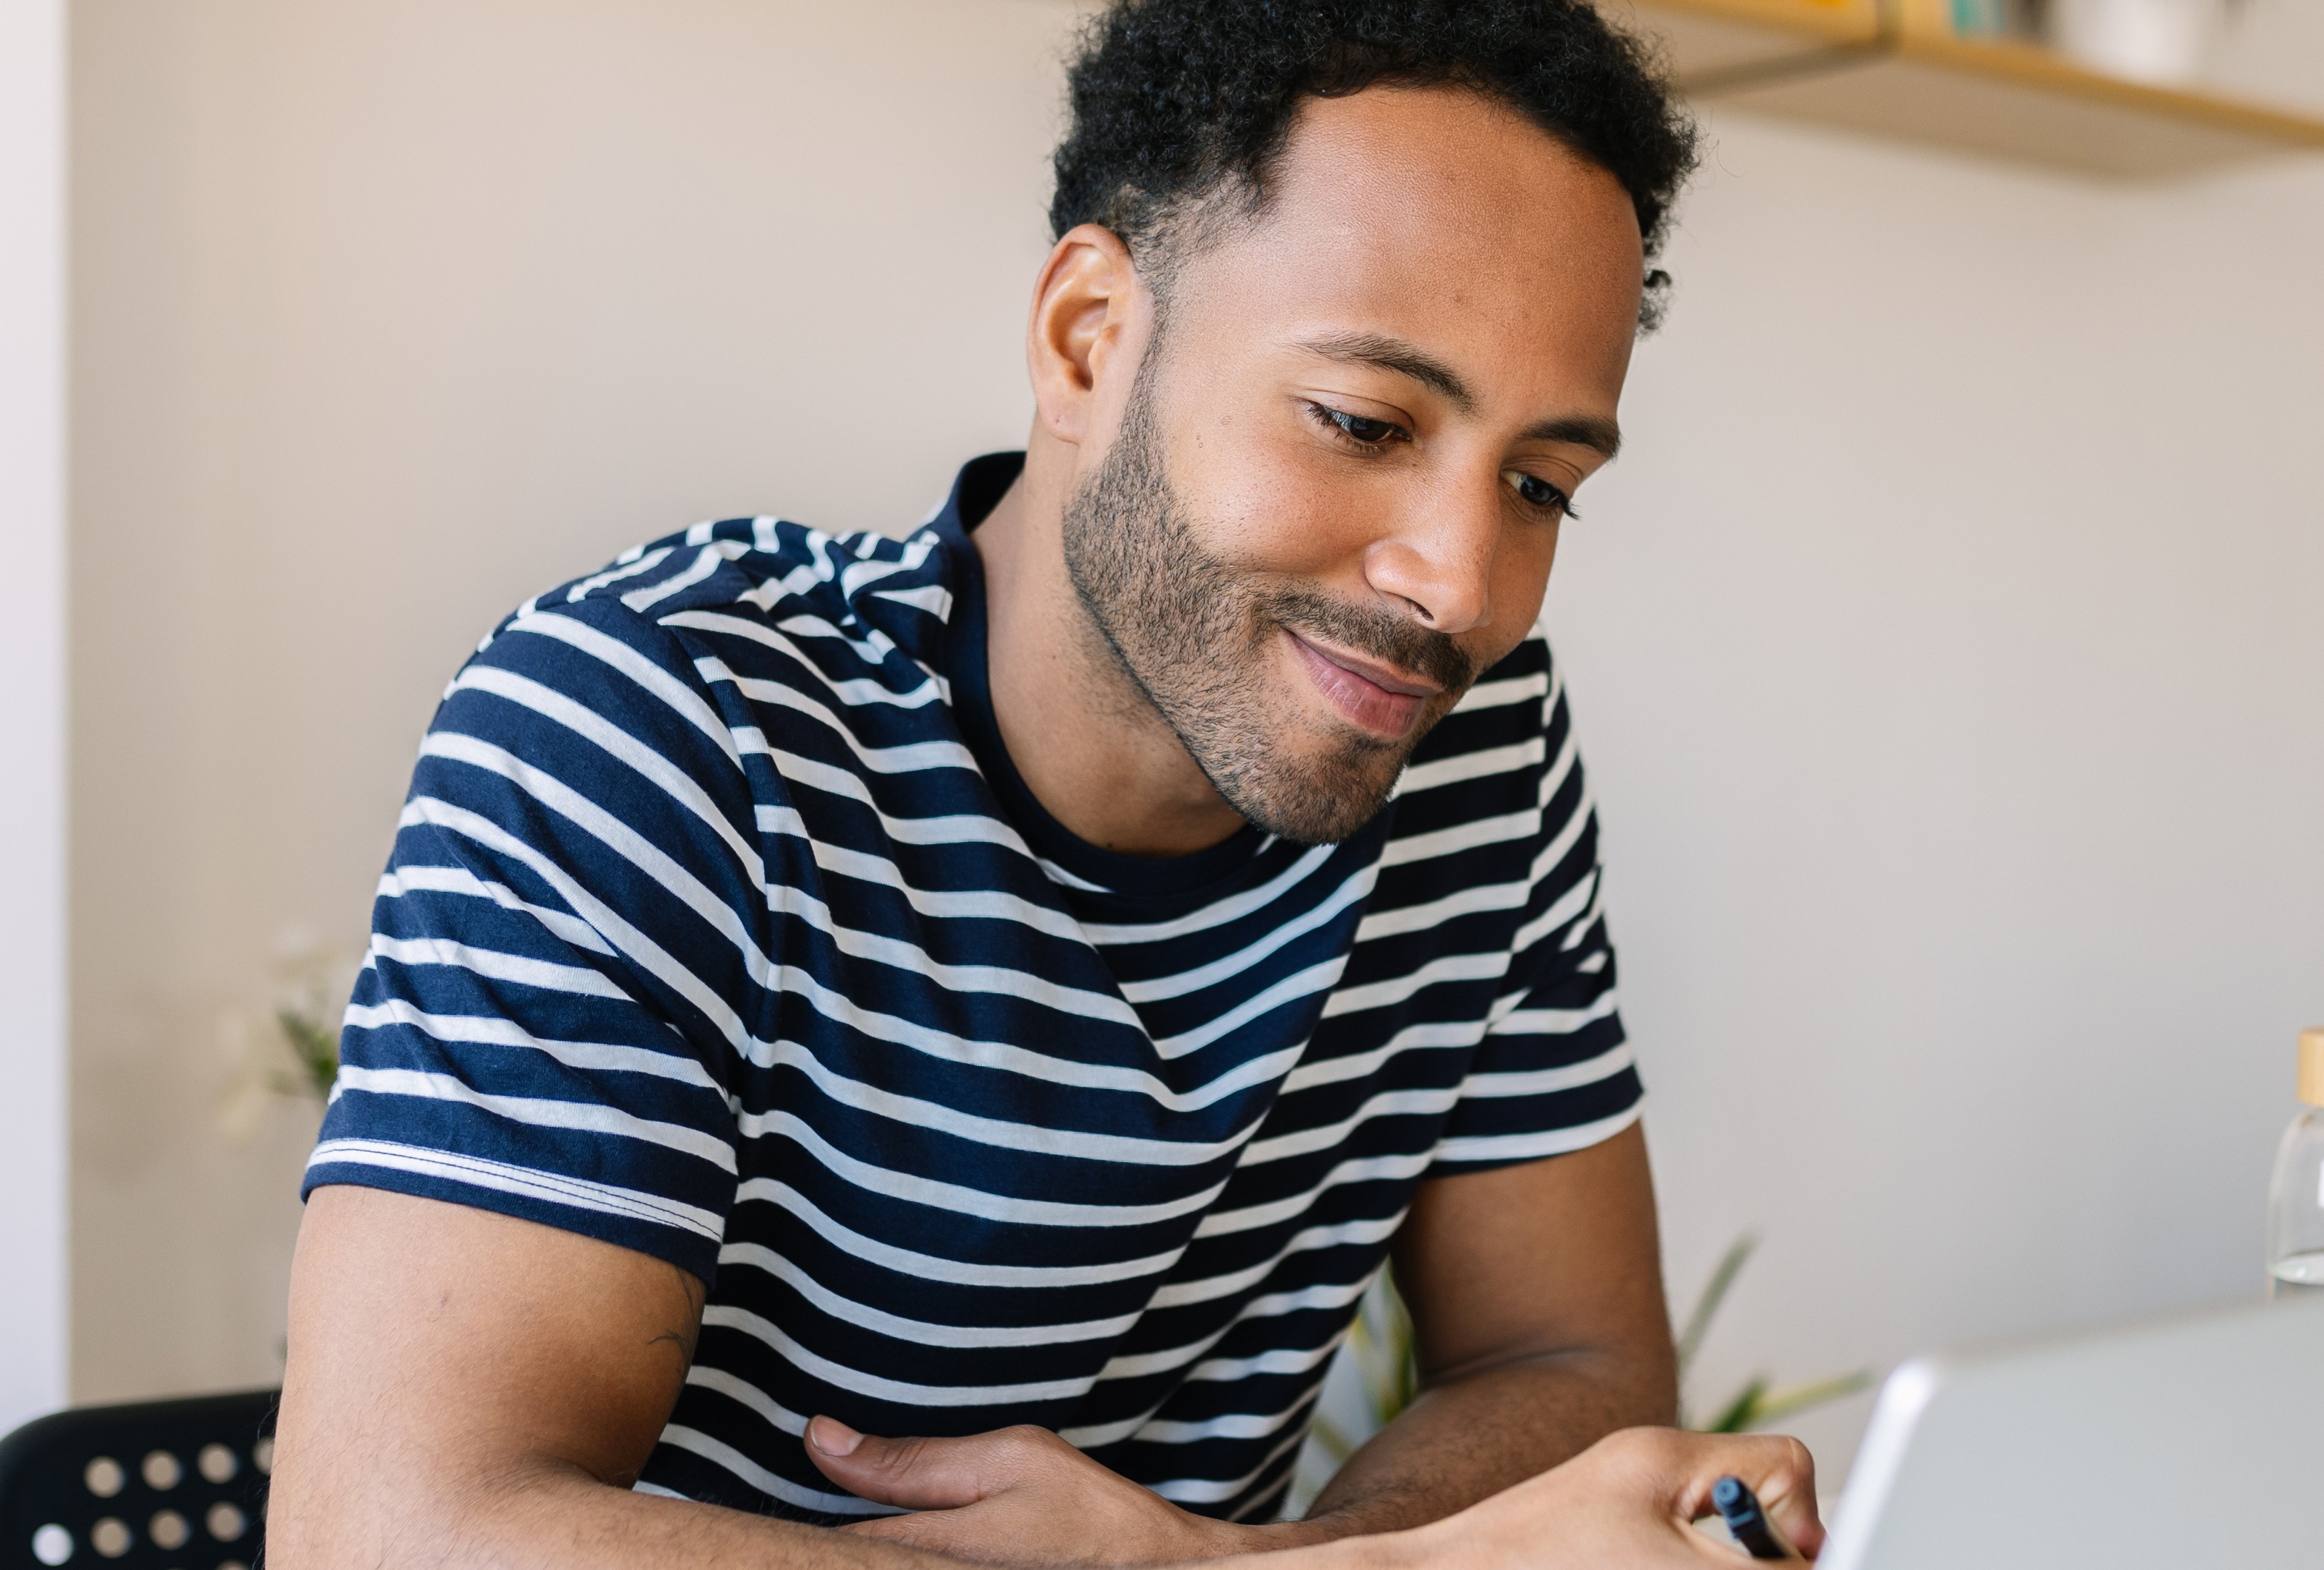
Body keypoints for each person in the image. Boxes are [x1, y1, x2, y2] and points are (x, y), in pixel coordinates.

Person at [267, 0, 1812, 1563]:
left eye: (1539, 484)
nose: (1459, 586)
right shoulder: (659, 726)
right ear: (1088, 338)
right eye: (1361, 420)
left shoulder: (1466, 748)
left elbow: (1570, 1363)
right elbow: (382, 1534)